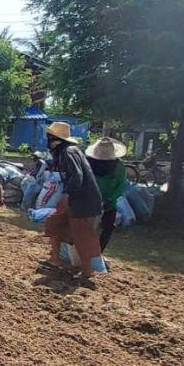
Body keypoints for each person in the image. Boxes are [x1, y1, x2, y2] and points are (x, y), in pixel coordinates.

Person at [42, 121, 103, 285]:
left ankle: (87, 273)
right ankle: (55, 259)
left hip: (83, 201)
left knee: (82, 236)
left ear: (55, 140)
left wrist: (65, 196)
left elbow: (77, 177)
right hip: (76, 199)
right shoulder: (67, 152)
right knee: (54, 224)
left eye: (50, 138)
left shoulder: (68, 152)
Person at [86, 137, 128, 252]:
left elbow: (121, 185)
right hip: (90, 202)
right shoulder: (88, 163)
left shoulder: (119, 166)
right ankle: (82, 252)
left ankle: (98, 252)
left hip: (109, 203)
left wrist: (110, 199)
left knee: (108, 227)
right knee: (85, 228)